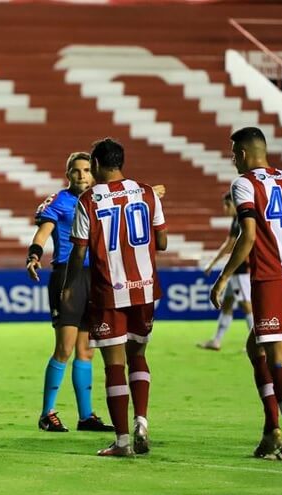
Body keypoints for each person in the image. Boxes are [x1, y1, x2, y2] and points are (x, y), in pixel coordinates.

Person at [210, 126, 282, 461]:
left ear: (244, 153)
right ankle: (271, 428)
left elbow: (247, 236)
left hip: (271, 280)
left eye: (233, 154)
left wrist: (223, 277)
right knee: (254, 347)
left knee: (278, 358)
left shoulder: (245, 183)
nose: (232, 160)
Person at [62, 138, 167, 457]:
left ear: (95, 165)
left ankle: (122, 441)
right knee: (139, 355)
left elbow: (79, 249)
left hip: (110, 290)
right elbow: (161, 241)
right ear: (120, 162)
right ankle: (142, 422)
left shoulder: (90, 199)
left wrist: (69, 287)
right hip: (146, 287)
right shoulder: (148, 192)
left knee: (114, 366)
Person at [25, 152, 113, 433]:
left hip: (95, 277)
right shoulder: (59, 202)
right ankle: (46, 413)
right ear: (67, 174)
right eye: (76, 171)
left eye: (87, 170)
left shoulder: (100, 199)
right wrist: (34, 255)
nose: (82, 175)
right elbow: (43, 233)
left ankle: (86, 416)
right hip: (66, 275)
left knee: (86, 351)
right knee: (64, 348)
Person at [198, 192, 254, 351]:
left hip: (242, 269)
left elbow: (230, 245)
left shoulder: (243, 219)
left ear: (233, 204)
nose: (224, 208)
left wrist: (212, 263)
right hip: (236, 269)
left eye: (226, 205)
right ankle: (216, 341)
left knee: (246, 305)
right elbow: (229, 243)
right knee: (228, 304)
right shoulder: (237, 220)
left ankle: (257, 342)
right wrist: (213, 263)